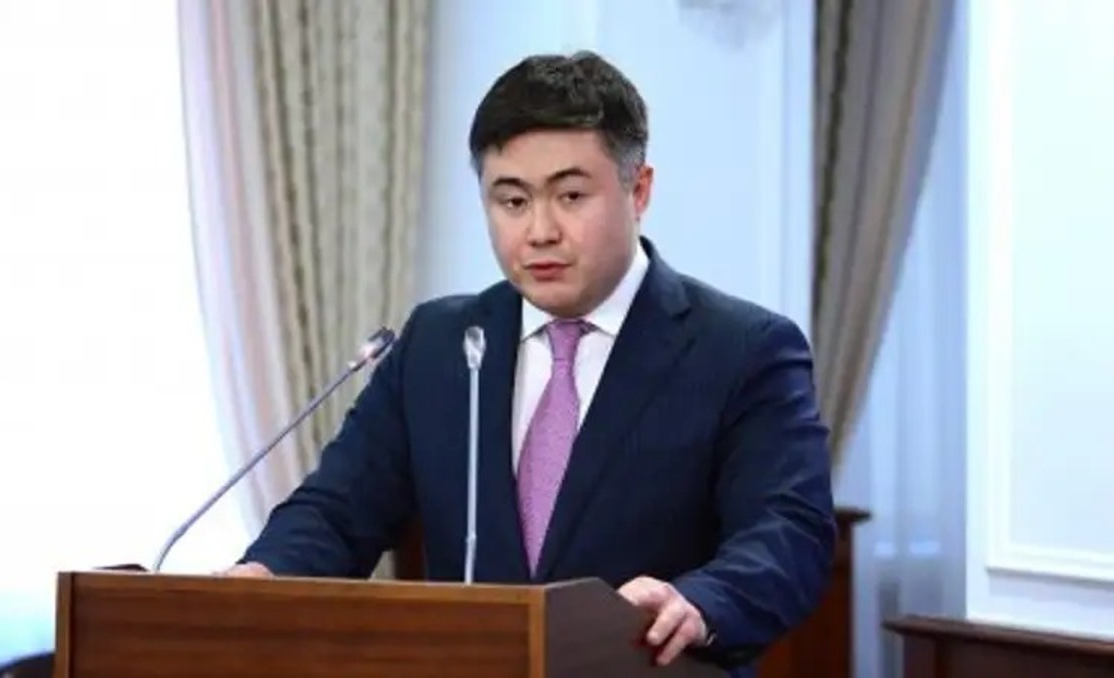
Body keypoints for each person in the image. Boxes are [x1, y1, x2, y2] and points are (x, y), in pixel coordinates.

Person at [223, 50, 835, 675]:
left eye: (570, 196)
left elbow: (789, 531)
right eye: (512, 202)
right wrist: (262, 576)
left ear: (639, 190)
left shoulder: (743, 349)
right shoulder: (438, 343)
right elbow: (338, 510)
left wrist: (700, 601)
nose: (540, 230)